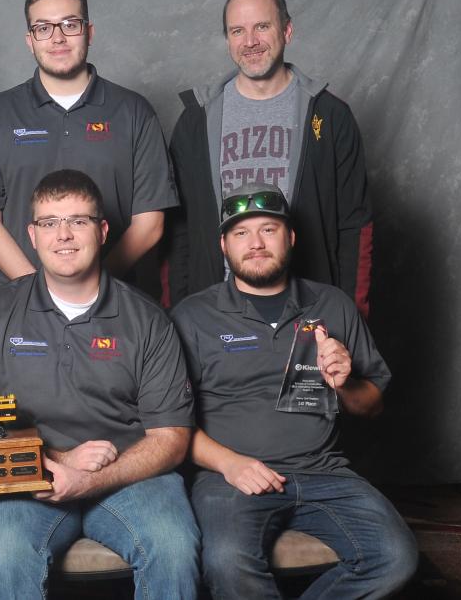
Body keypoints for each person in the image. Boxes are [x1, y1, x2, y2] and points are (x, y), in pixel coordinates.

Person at [0, 170, 200, 598]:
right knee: (3, 549)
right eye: (49, 223)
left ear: (103, 230)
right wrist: (59, 458)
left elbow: (171, 438)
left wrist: (91, 479)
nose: (63, 235)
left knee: (174, 544)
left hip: (131, 473)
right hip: (28, 476)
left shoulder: (147, 319)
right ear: (32, 235)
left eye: (79, 221)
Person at [169, 182, 417, 598]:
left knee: (396, 556)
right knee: (225, 562)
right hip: (231, 478)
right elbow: (167, 423)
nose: (256, 243)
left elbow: (371, 405)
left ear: (291, 238)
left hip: (324, 470)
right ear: (224, 246)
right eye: (241, 233)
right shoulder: (192, 316)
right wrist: (230, 464)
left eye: (268, 229)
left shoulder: (332, 304)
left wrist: (344, 383)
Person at [166, 0, 372, 318]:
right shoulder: (196, 121)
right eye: (237, 31)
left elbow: (356, 228)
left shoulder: (330, 116)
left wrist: (353, 319)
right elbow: (178, 234)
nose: (250, 42)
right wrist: (176, 317)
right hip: (217, 318)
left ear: (287, 31)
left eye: (262, 26)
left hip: (309, 314)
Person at [0, 0, 177, 288]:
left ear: (89, 32)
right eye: (43, 28)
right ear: (30, 40)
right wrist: (37, 293)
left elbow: (150, 224)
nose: (57, 38)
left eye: (70, 25)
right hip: (18, 299)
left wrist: (92, 288)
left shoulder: (134, 112)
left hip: (114, 303)